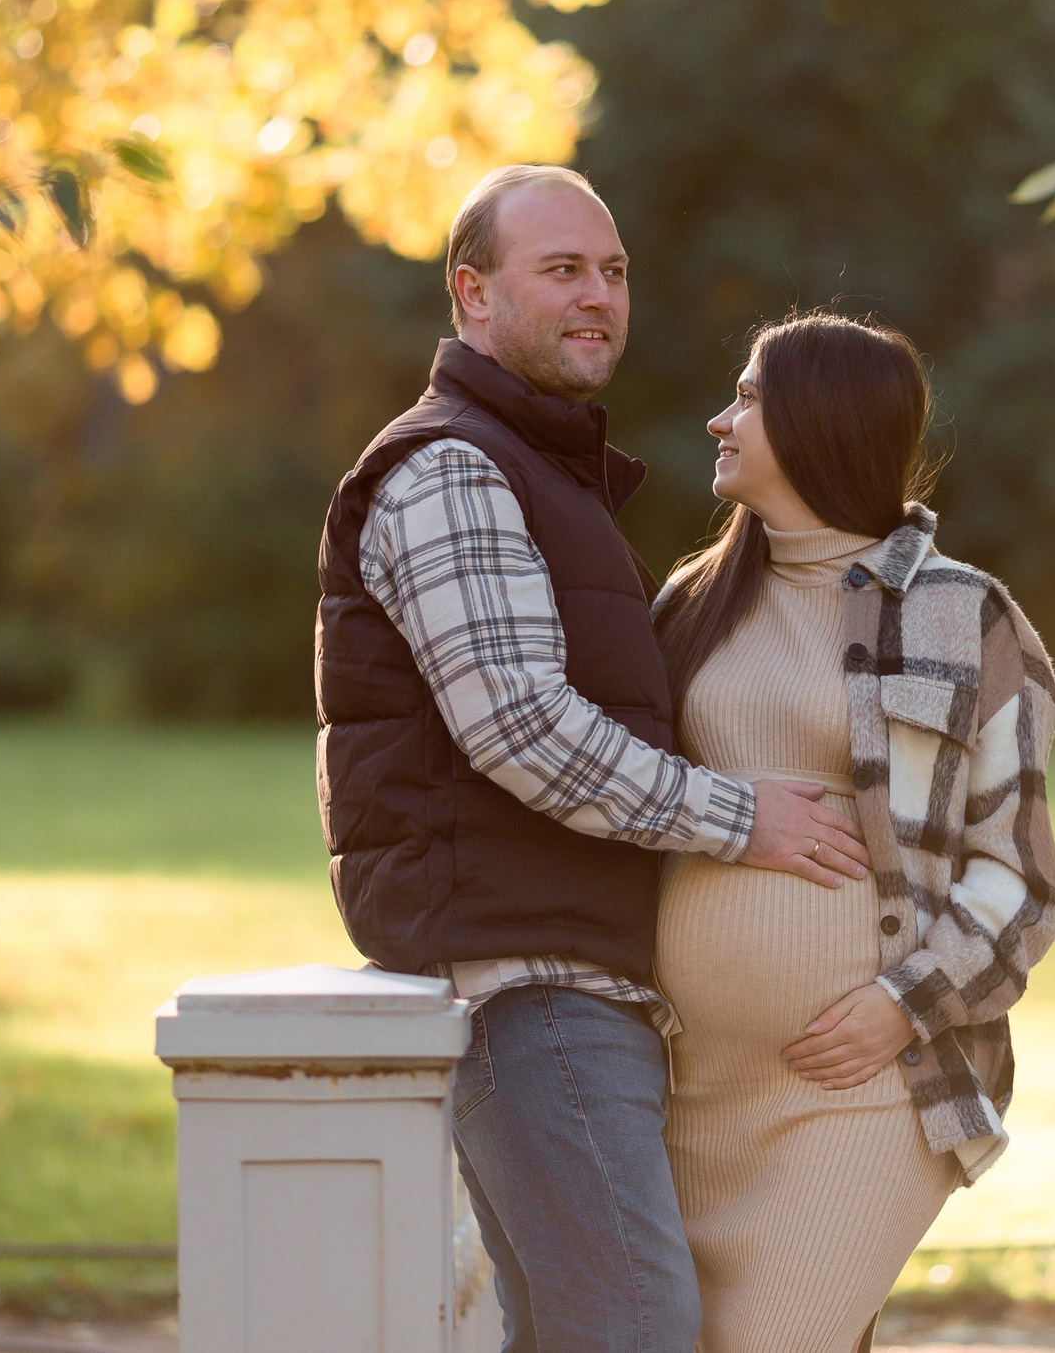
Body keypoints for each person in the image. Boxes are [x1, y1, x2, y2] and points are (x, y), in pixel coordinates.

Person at [314, 166, 871, 1353]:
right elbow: (521, 729)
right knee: (632, 1324)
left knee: (579, 1329)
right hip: (530, 985)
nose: (598, 296)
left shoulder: (536, 471)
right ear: (472, 292)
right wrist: (745, 820)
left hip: (569, 979)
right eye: (561, 269)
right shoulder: (453, 466)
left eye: (612, 272)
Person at [651, 312, 1055, 1353]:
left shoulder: (967, 619)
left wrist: (901, 1005)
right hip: (682, 1092)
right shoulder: (688, 604)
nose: (719, 420)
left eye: (748, 397)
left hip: (869, 1085)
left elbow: (1018, 878)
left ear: (819, 421)